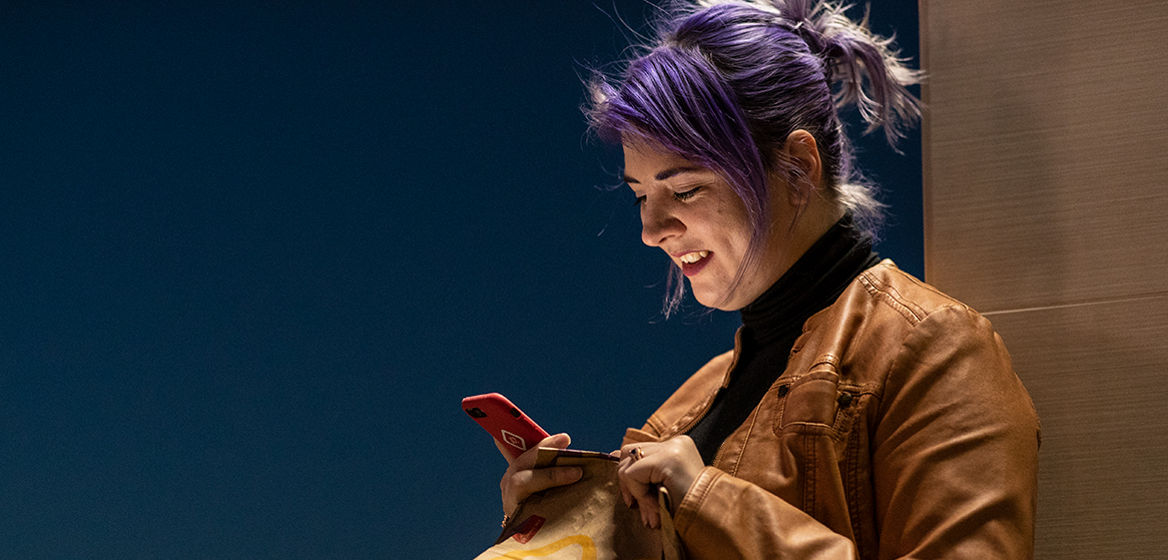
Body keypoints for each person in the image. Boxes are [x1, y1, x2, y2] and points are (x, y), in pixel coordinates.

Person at [497, 1, 1040, 558]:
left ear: (799, 168)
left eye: (684, 190)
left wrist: (708, 499)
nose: (651, 230)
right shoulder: (693, 399)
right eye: (640, 196)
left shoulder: (937, 349)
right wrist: (557, 520)